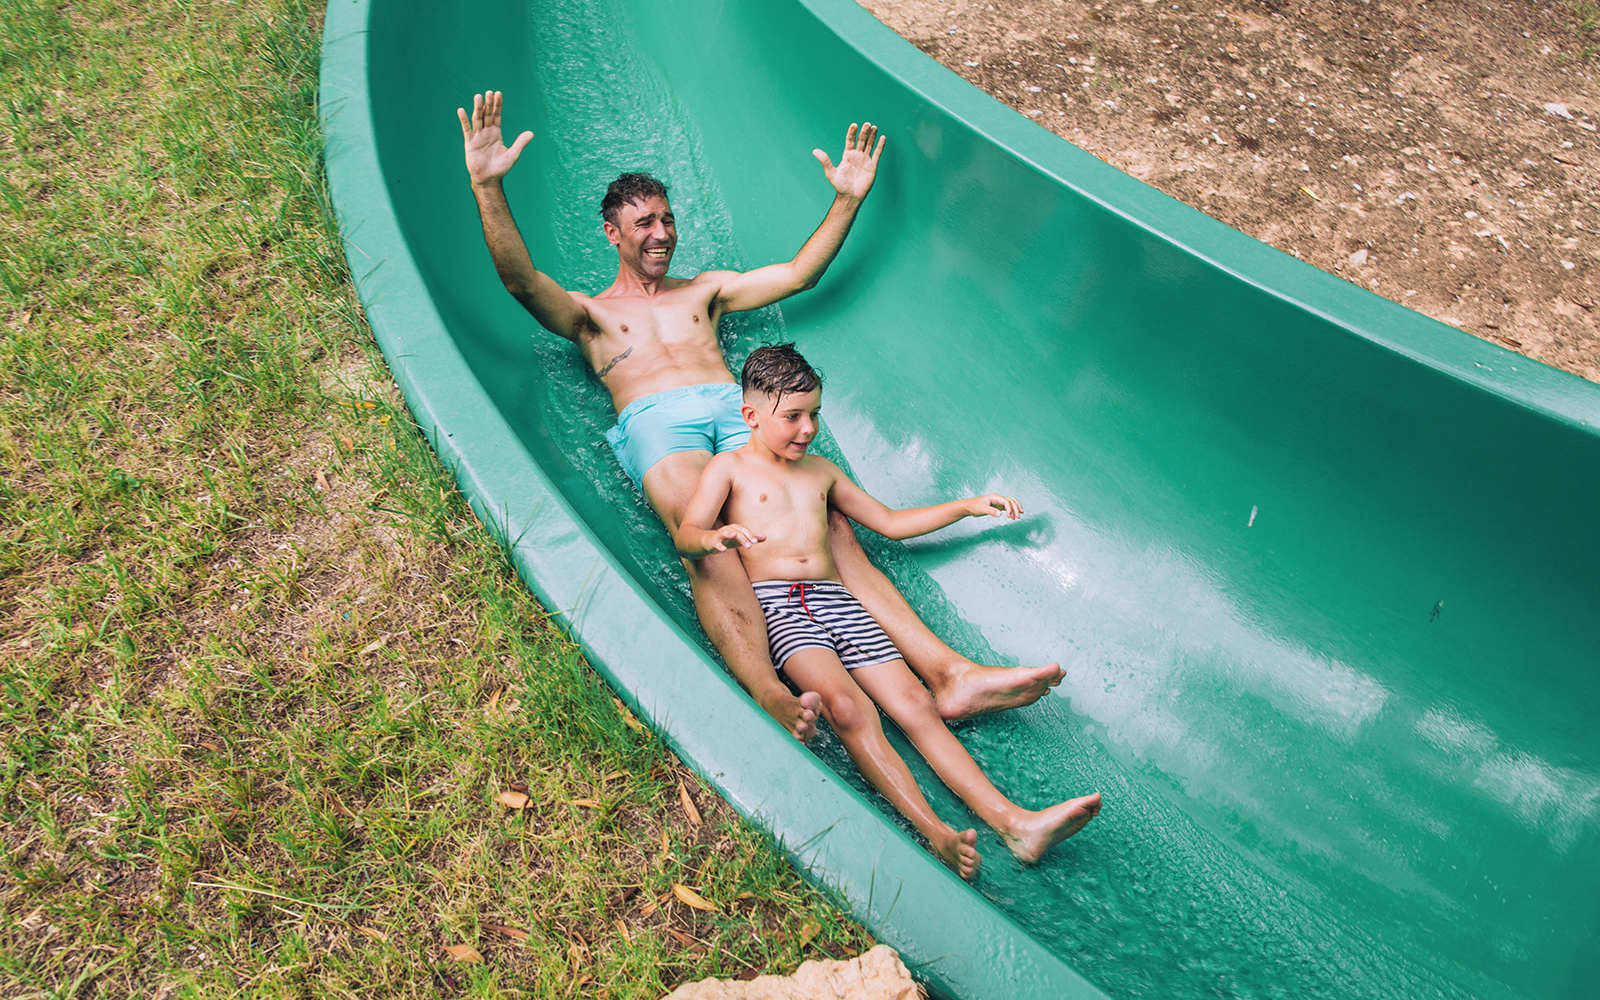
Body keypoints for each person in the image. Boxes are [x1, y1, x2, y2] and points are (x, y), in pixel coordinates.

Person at [458, 91, 1064, 743]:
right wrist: (488, 186)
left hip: (730, 408)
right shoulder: (591, 315)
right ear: (612, 233)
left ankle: (950, 674)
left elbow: (800, 273)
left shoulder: (707, 292)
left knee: (829, 523)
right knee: (704, 531)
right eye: (643, 223)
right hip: (659, 422)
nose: (661, 233)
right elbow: (522, 282)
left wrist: (848, 199)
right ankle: (769, 690)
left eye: (666, 219)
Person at [674, 345, 1100, 877]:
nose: (807, 428)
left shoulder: (822, 473)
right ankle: (935, 831)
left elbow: (891, 521)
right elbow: (687, 534)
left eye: (815, 415)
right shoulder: (728, 469)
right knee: (850, 710)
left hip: (839, 600)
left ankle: (1016, 824)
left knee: (917, 706)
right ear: (751, 416)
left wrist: (965, 506)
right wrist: (715, 537)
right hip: (783, 607)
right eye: (793, 417)